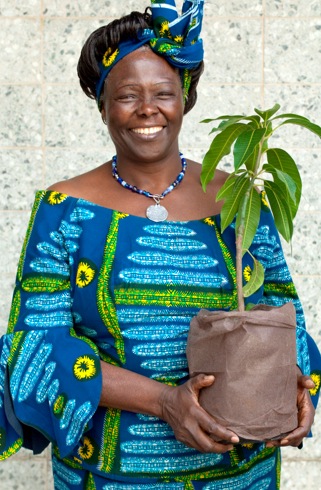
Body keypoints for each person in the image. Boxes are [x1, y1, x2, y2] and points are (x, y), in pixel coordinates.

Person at [0, 1, 320, 488]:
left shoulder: (239, 198)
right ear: (103, 104)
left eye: (163, 93)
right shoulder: (63, 209)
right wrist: (164, 401)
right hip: (112, 475)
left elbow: (282, 316)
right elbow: (35, 349)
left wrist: (304, 389)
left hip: (238, 473)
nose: (147, 109)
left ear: (185, 98)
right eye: (127, 95)